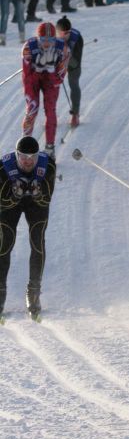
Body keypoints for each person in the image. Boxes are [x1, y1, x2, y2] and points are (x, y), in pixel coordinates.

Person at [0, 136, 56, 319]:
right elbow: (1, 202)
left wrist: (37, 193)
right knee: (4, 243)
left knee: (37, 242)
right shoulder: (4, 167)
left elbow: (47, 199)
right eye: (23, 157)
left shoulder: (48, 165)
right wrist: (14, 196)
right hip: (11, 206)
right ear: (16, 155)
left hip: (35, 206)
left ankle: (33, 292)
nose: (28, 161)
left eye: (32, 157)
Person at [21, 22, 70, 159]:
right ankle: (25, 142)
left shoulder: (63, 49)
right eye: (43, 40)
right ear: (37, 38)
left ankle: (49, 147)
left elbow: (60, 79)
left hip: (51, 80)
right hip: (33, 80)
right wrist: (38, 69)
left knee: (50, 110)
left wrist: (50, 70)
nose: (47, 43)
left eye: (51, 40)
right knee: (32, 108)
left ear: (56, 39)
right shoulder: (28, 48)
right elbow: (27, 77)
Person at [56, 15, 83, 127]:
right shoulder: (52, 36)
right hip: (57, 62)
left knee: (73, 83)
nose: (64, 36)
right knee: (51, 86)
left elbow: (75, 63)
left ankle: (75, 113)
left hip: (72, 63)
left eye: (67, 33)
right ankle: (50, 114)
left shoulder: (76, 38)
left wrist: (66, 52)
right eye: (61, 33)